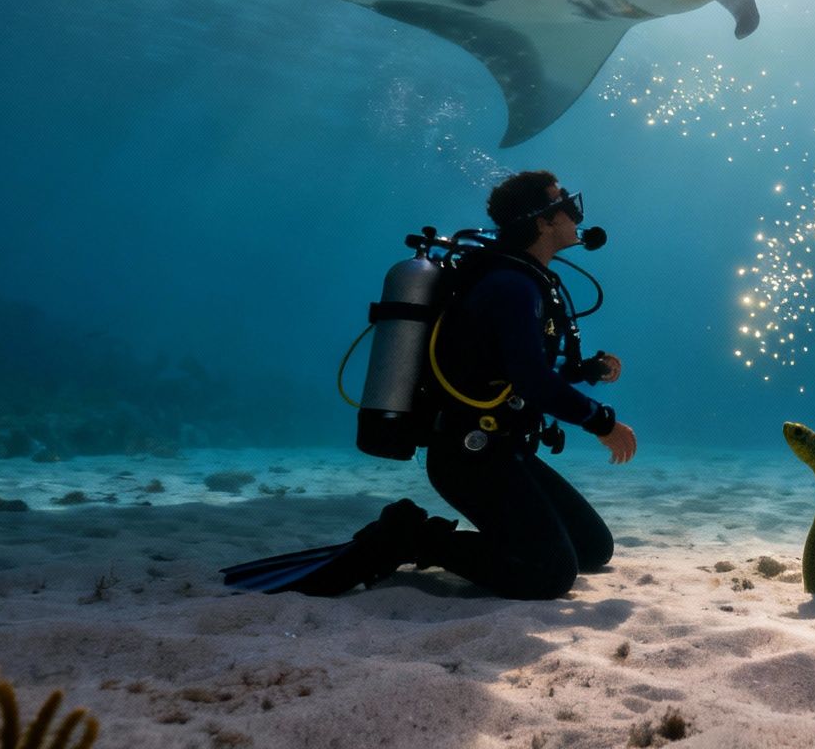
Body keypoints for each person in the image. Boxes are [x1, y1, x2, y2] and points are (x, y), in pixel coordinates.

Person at [220, 170, 634, 600]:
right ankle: (411, 537)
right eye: (563, 202)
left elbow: (510, 368)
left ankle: (464, 538)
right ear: (543, 221)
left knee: (592, 549)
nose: (574, 212)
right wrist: (601, 422)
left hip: (505, 448)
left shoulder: (527, 280)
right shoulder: (511, 285)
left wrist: (585, 370)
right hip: (470, 457)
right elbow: (530, 379)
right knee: (548, 575)